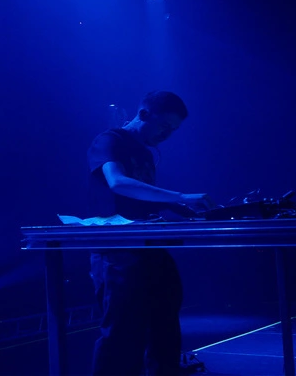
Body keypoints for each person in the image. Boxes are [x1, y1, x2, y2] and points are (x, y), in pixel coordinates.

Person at [86, 91, 214, 376]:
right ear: (144, 114)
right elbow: (118, 183)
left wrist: (186, 209)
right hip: (117, 251)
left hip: (148, 246)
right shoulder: (109, 140)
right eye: (164, 126)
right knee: (121, 333)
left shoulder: (144, 152)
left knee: (165, 321)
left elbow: (143, 198)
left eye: (174, 130)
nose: (167, 134)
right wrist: (181, 196)